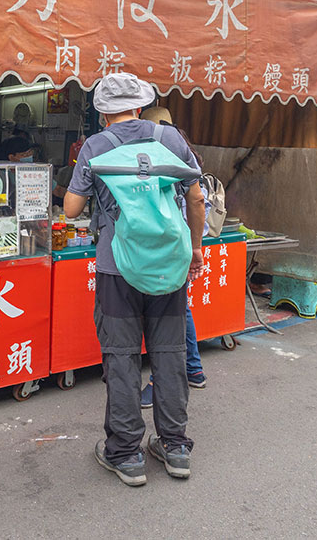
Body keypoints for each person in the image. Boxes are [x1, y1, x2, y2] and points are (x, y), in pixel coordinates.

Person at [64, 74, 205, 486]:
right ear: (140, 106)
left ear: (103, 112)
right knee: (171, 351)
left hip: (117, 267)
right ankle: (175, 447)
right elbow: (195, 198)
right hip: (169, 263)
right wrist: (195, 248)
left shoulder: (96, 145)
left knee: (122, 356)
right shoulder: (172, 138)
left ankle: (125, 454)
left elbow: (72, 209)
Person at [137, 106, 206, 408]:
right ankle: (194, 369)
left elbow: (194, 200)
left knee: (163, 315)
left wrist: (194, 247)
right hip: (178, 241)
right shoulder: (182, 144)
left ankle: (159, 380)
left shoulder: (164, 150)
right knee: (179, 308)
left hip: (167, 242)